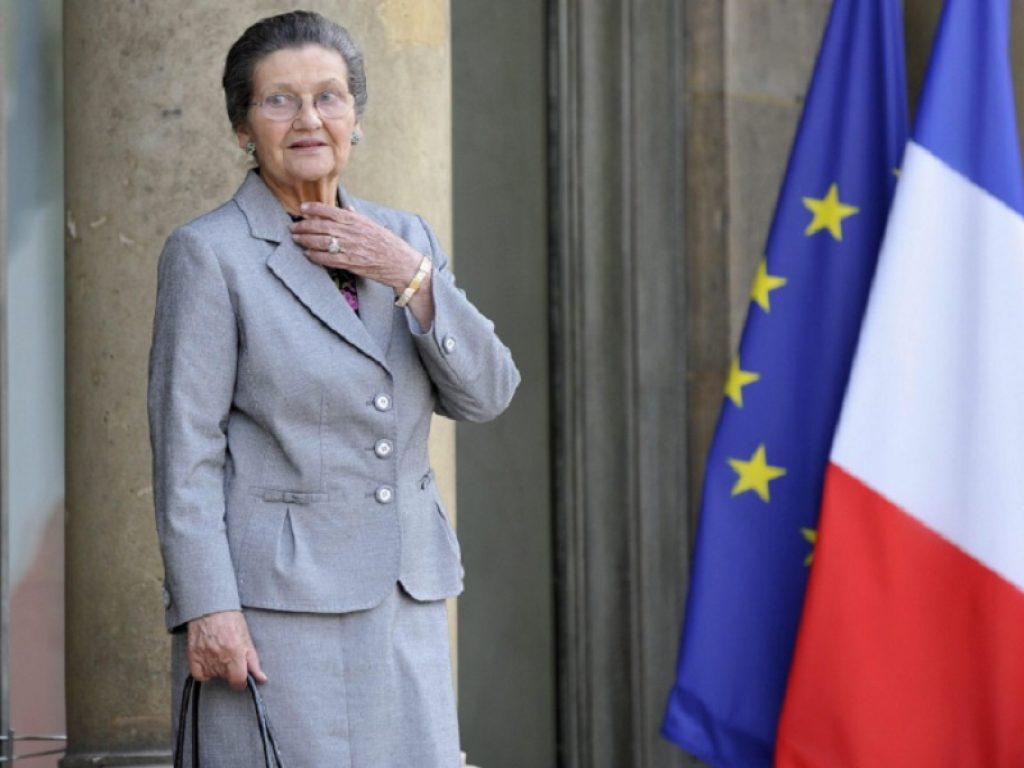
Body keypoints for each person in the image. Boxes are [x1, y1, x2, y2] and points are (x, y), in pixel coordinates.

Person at [147, 10, 519, 766]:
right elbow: (186, 452)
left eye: (329, 96)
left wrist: (411, 277)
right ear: (243, 128)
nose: (309, 118)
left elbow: (489, 393)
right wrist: (208, 608)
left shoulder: (403, 237)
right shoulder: (209, 255)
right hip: (279, 612)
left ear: (356, 115)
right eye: (279, 100)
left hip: (406, 597)